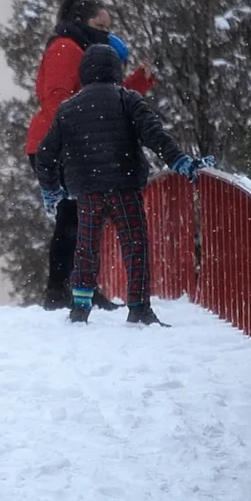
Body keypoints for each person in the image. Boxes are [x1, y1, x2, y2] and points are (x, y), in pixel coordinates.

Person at [34, 44, 214, 325]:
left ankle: (80, 309)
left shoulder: (69, 108)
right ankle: (139, 307)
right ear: (115, 71)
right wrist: (180, 161)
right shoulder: (126, 99)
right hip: (124, 185)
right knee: (134, 244)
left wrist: (51, 191)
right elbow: (155, 135)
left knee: (86, 249)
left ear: (84, 73)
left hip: (88, 191)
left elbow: (45, 154)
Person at [25, 0, 158, 311]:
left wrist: (138, 81)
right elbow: (58, 100)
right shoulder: (64, 49)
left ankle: (74, 289)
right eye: (100, 26)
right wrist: (75, 135)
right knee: (72, 218)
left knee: (77, 217)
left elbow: (106, 101)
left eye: (108, 28)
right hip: (56, 144)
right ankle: (63, 291)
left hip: (67, 143)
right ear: (80, 23)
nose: (106, 34)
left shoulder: (81, 51)